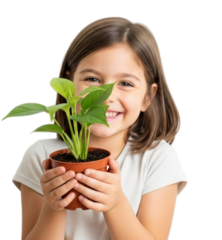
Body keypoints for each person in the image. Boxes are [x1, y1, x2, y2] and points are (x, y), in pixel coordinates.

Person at [11, 15, 187, 240]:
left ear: (147, 97)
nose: (105, 97)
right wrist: (53, 205)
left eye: (125, 83)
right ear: (69, 84)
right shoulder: (42, 156)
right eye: (92, 79)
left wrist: (115, 205)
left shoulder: (157, 158)